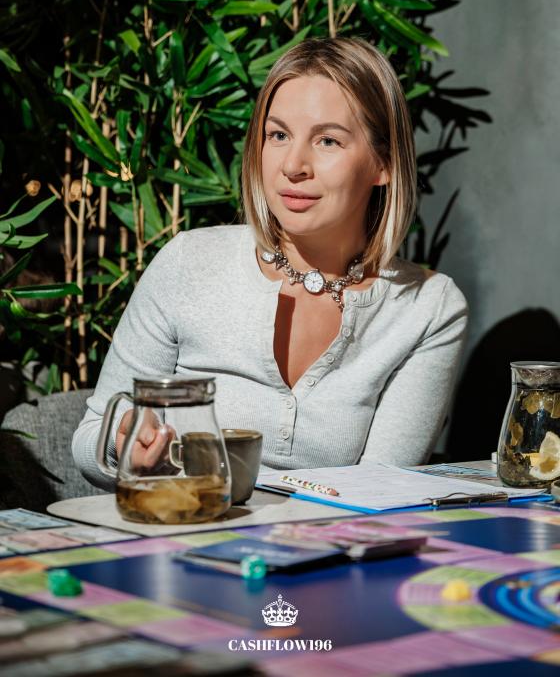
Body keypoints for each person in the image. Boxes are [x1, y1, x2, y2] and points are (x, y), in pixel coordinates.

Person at [73, 37, 468, 490]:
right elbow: (89, 440)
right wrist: (123, 444)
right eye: (278, 135)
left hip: (329, 535)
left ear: (384, 163)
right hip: (181, 523)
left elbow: (378, 490)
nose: (293, 165)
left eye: (327, 140)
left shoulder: (427, 308)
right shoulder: (189, 263)